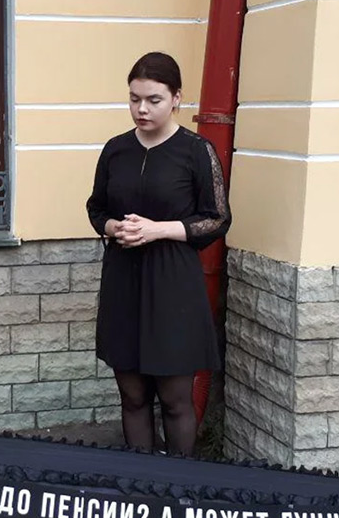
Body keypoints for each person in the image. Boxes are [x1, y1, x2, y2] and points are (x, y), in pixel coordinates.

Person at [86, 52, 231, 456]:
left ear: (176, 98)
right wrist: (114, 228)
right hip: (124, 280)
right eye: (135, 99)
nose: (142, 109)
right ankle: (140, 481)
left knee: (174, 399)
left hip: (173, 285)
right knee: (132, 396)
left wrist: (158, 230)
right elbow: (96, 208)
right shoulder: (115, 150)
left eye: (154, 100)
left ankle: (180, 484)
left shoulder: (196, 151)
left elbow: (217, 219)